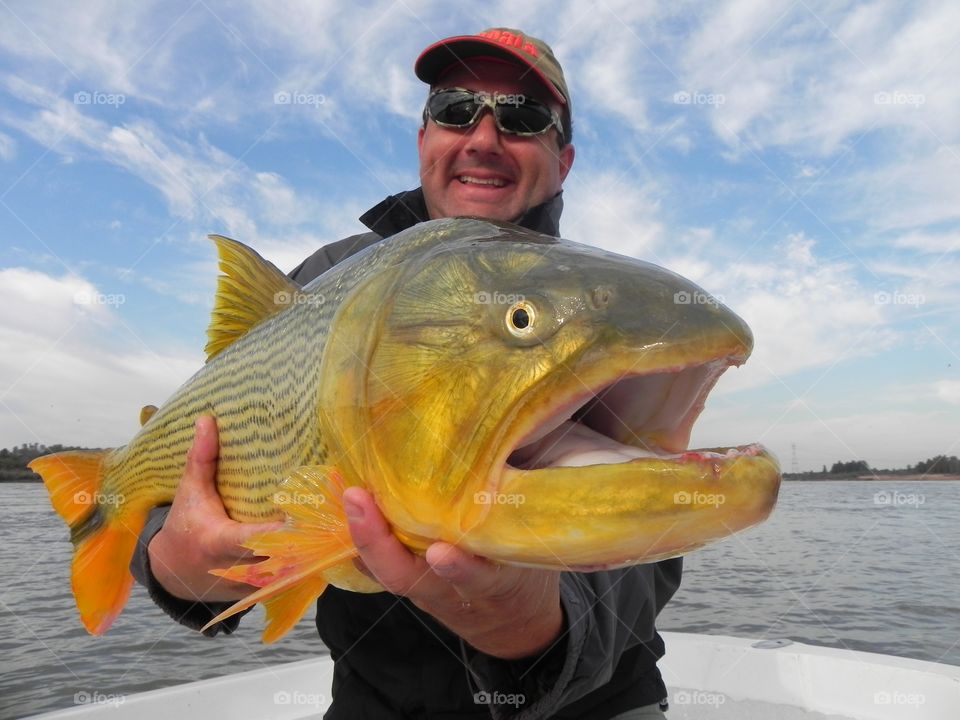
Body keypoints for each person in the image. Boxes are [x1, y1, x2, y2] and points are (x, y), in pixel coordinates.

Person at [131, 28, 681, 720]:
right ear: (424, 138)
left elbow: (656, 522)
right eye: (455, 109)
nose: (484, 137)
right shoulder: (323, 281)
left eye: (523, 117)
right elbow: (201, 481)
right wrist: (178, 566)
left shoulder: (604, 314)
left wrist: (529, 621)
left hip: (594, 703)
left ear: (562, 159)